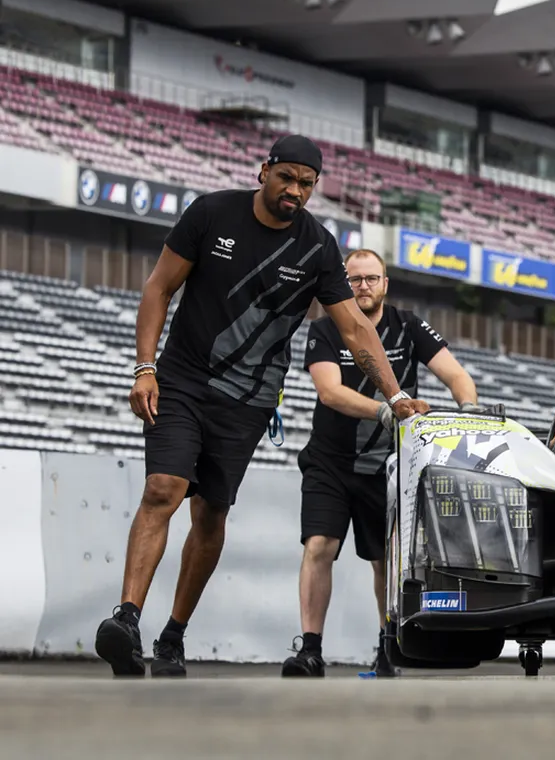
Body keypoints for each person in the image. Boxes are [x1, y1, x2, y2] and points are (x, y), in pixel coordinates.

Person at [95, 135, 430, 679]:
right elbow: (158, 288)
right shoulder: (209, 213)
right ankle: (126, 619)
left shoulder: (318, 247)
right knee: (165, 488)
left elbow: (354, 328)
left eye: (306, 183)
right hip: (181, 379)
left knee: (210, 514)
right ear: (263, 171)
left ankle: (172, 636)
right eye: (287, 177)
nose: (294, 189)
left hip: (248, 400)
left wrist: (394, 395)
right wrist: (144, 366)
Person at [281, 248, 479, 678]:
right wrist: (387, 409)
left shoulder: (408, 326)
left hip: (389, 468)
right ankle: (310, 648)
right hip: (330, 462)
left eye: (372, 278)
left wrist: (468, 411)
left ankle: (388, 646)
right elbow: (329, 392)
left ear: (385, 283)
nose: (363, 287)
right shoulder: (325, 327)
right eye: (354, 280)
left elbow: (458, 376)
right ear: (343, 284)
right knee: (320, 547)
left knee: (386, 562)